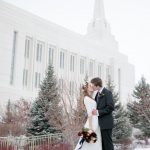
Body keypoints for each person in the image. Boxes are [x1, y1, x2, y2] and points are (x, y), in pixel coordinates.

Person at [74, 82, 102, 150]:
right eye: (90, 85)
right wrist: (91, 127)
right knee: (87, 143)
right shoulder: (86, 98)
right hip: (91, 123)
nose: (91, 86)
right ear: (86, 88)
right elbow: (89, 114)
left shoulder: (91, 97)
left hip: (95, 121)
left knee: (95, 143)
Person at [91, 77, 114, 150]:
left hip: (106, 123)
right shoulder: (97, 94)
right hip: (99, 124)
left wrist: (98, 112)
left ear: (97, 85)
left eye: (93, 85)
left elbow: (110, 107)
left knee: (107, 144)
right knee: (102, 145)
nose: (92, 87)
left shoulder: (107, 92)